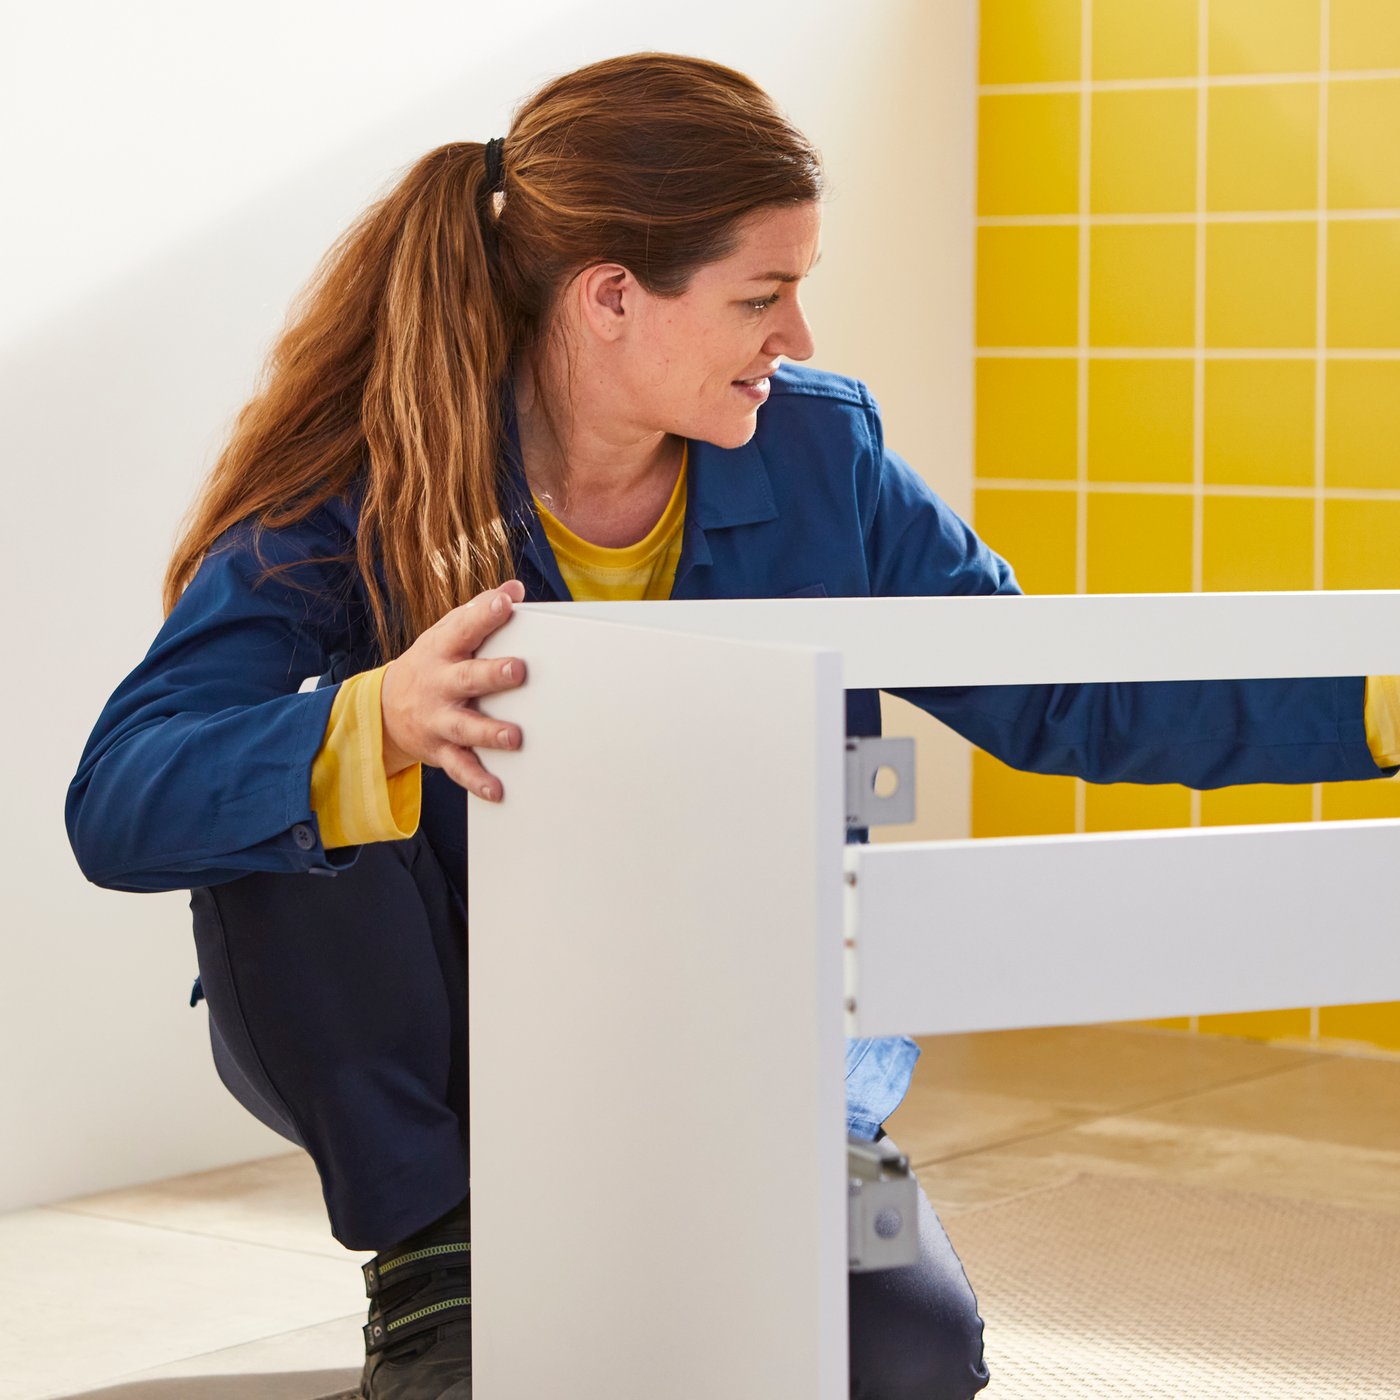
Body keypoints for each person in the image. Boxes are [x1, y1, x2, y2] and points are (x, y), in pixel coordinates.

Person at [65, 51, 1400, 1400]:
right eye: (761, 297)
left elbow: (1062, 694)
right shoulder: (371, 472)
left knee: (910, 1357)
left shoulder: (827, 456)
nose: (798, 338)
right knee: (300, 772)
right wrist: (379, 721)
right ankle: (437, 1248)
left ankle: (796, 1166)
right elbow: (125, 795)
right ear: (610, 298)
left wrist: (1381, 707)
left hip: (761, 1050)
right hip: (462, 1057)